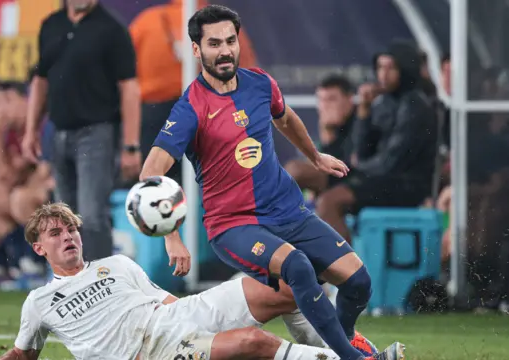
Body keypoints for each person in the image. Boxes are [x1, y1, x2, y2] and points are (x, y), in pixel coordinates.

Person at [139, 5, 404, 360]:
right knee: (297, 267)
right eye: (215, 43)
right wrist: (172, 237)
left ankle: (344, 339)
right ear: (197, 50)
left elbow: (286, 118)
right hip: (234, 224)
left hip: (288, 212)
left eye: (231, 41)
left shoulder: (260, 83)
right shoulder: (191, 107)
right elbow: (150, 172)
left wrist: (315, 157)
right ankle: (351, 358)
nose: (225, 50)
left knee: (359, 283)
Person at [0, 202, 367, 360]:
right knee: (252, 342)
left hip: (173, 320)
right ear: (39, 248)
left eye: (70, 230)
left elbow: (165, 302)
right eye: (55, 233)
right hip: (144, 353)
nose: (67, 237)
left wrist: (208, 324)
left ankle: (340, 346)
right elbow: (24, 354)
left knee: (284, 283)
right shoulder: (40, 302)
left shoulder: (116, 264)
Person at [22, 0, 141, 260]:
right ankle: (68, 283)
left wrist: (131, 145)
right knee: (61, 216)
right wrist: (31, 130)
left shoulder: (112, 29)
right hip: (58, 131)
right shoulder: (51, 25)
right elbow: (41, 80)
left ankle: (102, 282)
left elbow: (129, 88)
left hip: (97, 134)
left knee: (91, 215)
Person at [317, 41, 437, 241]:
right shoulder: (383, 102)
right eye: (380, 67)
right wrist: (363, 111)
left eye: (391, 68)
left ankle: (346, 270)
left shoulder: (415, 106)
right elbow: (361, 150)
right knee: (295, 172)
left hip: (404, 186)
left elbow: (392, 162)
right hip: (377, 178)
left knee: (329, 202)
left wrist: (356, 168)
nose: (383, 74)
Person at [129, 0, 258, 185]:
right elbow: (248, 75)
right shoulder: (224, 25)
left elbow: (127, 78)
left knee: (155, 183)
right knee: (213, 180)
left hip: (154, 116)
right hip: (210, 112)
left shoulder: (147, 22)